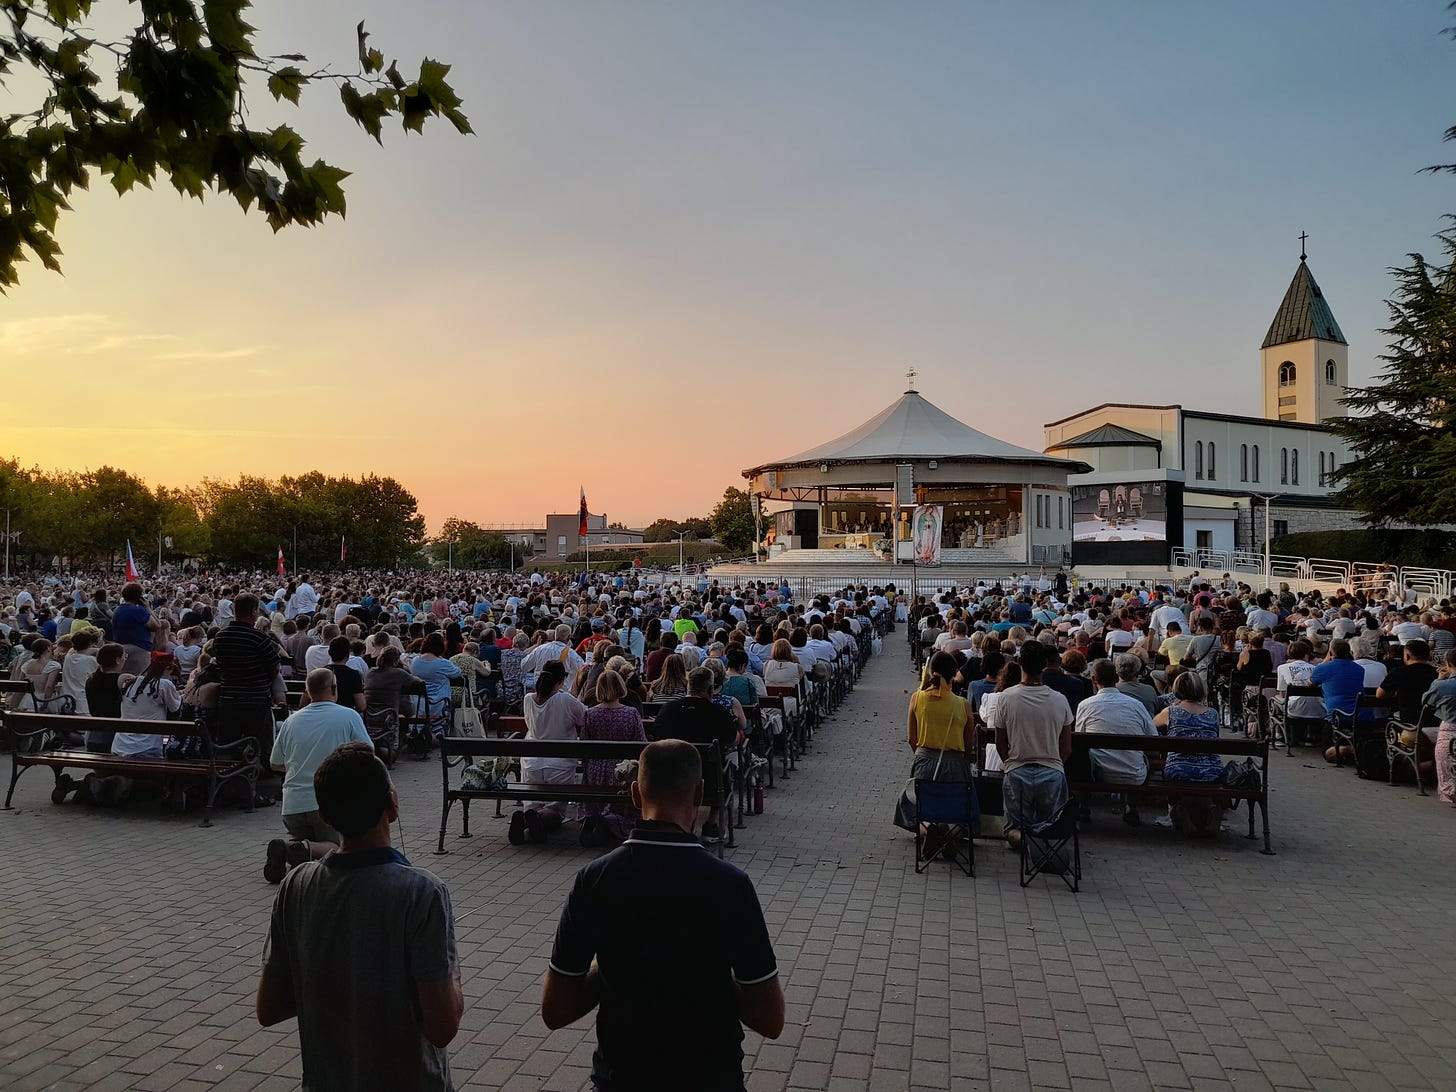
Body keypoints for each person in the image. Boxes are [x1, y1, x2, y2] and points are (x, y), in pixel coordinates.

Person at [541, 739, 783, 1091]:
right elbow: (770, 1019)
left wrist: (609, 967)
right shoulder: (731, 885)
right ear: (699, 794)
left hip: (621, 1079)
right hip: (712, 1078)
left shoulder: (595, 879)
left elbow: (556, 1010)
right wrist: (705, 976)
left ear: (636, 794)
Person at [257, 743, 463, 1090]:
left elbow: (270, 1007)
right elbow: (443, 1027)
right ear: (393, 807)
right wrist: (452, 978)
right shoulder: (421, 893)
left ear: (323, 816)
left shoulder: (297, 886)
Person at [264, 668, 375, 883]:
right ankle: (303, 848)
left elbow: (275, 763)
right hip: (328, 802)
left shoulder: (291, 721)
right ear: (334, 689)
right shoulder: (348, 716)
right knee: (339, 847)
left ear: (307, 691)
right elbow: (367, 753)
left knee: (302, 836)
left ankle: (293, 848)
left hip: (293, 804)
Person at [994, 641, 1073, 850]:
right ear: (1045, 664)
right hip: (1052, 771)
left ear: (1020, 663)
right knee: (1051, 825)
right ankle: (1043, 842)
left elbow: (1000, 742)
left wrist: (1010, 764)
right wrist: (1055, 763)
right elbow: (1066, 747)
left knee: (1012, 829)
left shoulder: (1006, 698)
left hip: (1017, 770)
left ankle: (1028, 841)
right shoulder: (1060, 700)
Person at [651, 668, 742, 842]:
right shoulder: (717, 712)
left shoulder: (669, 709)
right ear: (710, 690)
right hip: (709, 779)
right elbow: (734, 740)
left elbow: (657, 736)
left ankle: (681, 824)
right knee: (722, 768)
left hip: (671, 775)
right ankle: (711, 824)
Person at [892, 651, 973, 837]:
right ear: (954, 674)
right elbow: (969, 745)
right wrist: (963, 761)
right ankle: (950, 831)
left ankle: (927, 830)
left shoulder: (917, 698)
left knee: (914, 809)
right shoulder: (963, 704)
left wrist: (921, 754)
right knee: (962, 808)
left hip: (924, 763)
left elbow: (912, 739)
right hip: (955, 766)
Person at [1072, 658, 1158, 825]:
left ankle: (1083, 804)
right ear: (1116, 678)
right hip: (1134, 774)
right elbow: (1152, 738)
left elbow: (1080, 739)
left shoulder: (1086, 705)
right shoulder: (1136, 705)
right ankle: (1131, 805)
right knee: (1139, 758)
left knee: (1081, 756)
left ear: (1094, 680)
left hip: (1098, 773)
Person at [514, 661, 587, 846]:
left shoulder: (528, 699)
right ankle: (539, 820)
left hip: (531, 764)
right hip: (560, 764)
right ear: (562, 680)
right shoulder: (565, 699)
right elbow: (586, 717)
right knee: (556, 811)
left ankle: (526, 818)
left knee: (533, 804)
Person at [579, 668, 647, 848]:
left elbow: (584, 743)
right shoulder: (631, 713)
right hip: (622, 771)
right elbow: (641, 743)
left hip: (595, 770)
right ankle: (610, 822)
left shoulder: (590, 713)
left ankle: (595, 817)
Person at [1311, 639, 1366, 761]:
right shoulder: (1359, 669)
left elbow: (1310, 682)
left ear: (1330, 652)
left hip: (1337, 716)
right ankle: (1355, 748)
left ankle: (1350, 749)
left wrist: (1325, 661)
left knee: (1327, 753)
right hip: (1360, 714)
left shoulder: (1324, 668)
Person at [1423, 650, 1456, 803]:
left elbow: (1427, 701)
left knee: (1447, 776)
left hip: (1449, 732)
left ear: (1448, 664)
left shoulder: (1442, 685)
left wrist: (1439, 680)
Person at [112, 581, 164, 675]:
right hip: (139, 648)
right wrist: (148, 608)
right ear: (139, 596)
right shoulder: (138, 611)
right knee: (138, 680)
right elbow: (157, 625)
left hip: (121, 647)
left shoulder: (117, 609)